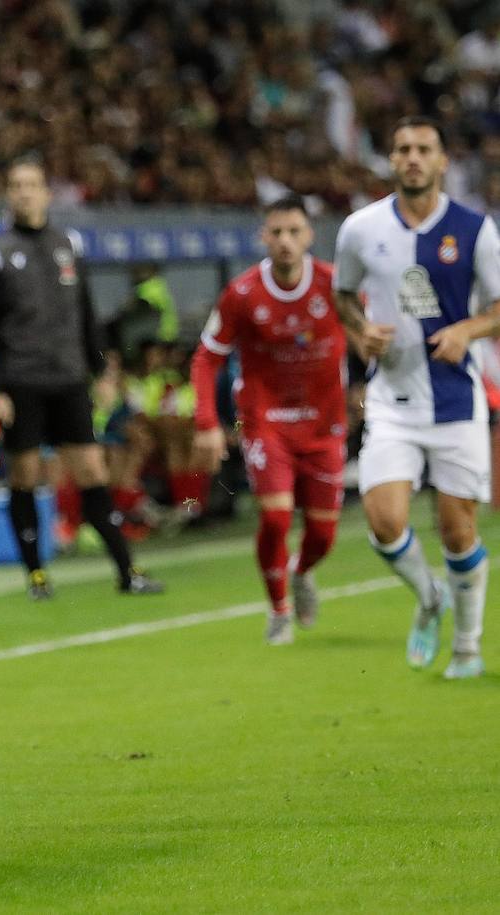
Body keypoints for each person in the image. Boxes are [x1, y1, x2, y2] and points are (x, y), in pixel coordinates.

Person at [333, 116, 500, 679]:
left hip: (456, 399)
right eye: (402, 148)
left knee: (458, 530)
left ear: (442, 160)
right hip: (392, 399)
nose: (412, 157)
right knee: (384, 520)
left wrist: (465, 332)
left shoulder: (475, 229)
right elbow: (342, 296)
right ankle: (430, 598)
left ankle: (468, 646)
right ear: (391, 158)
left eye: (423, 149)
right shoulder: (360, 228)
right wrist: (361, 331)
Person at [0, 156, 164, 599]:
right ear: (8, 193)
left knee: (92, 470)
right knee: (25, 474)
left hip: (69, 377)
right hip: (22, 381)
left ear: (45, 193)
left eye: (32, 184)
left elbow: (86, 314)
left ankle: (126, 571)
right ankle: (37, 576)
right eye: (17, 185)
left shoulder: (68, 245)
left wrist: (101, 369)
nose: (24, 192)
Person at [192, 195, 347, 645]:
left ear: (310, 236)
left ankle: (301, 572)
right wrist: (207, 422)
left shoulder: (335, 286)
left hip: (324, 424)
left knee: (322, 533)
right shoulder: (242, 294)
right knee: (277, 519)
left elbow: (369, 337)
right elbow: (207, 358)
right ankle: (279, 609)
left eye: (294, 232)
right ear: (263, 236)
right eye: (276, 232)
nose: (284, 241)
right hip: (267, 422)